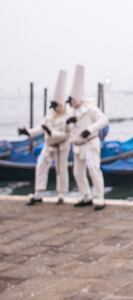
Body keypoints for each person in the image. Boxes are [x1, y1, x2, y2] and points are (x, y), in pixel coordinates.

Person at [19, 70, 71, 206]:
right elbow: (42, 127)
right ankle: (38, 193)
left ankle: (61, 195)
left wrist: (50, 132)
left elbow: (66, 134)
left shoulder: (68, 116)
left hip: (62, 146)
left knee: (61, 169)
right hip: (49, 145)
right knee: (41, 165)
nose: (54, 108)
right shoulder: (50, 114)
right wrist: (28, 133)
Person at [66, 65, 108, 211]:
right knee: (77, 172)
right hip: (77, 146)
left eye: (72, 99)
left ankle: (100, 198)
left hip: (90, 144)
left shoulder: (91, 109)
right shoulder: (72, 112)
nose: (70, 101)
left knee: (94, 170)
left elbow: (103, 120)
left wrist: (89, 130)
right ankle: (86, 195)